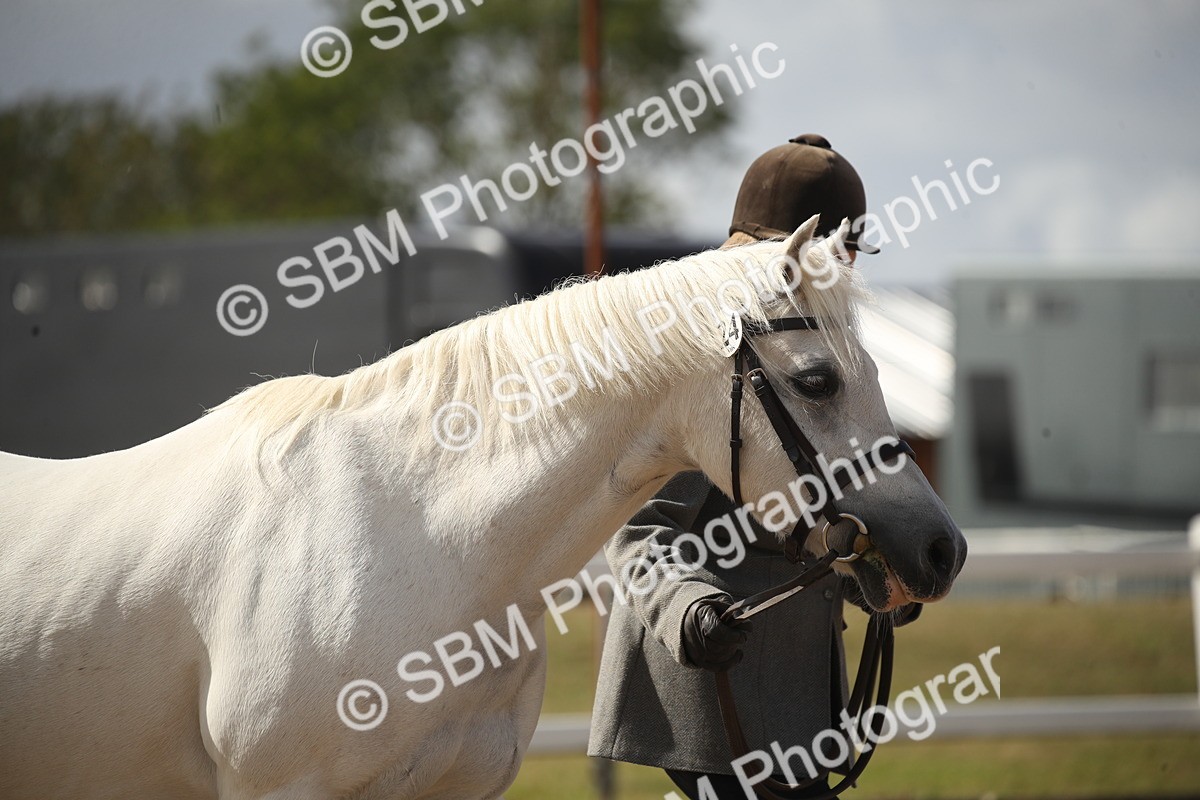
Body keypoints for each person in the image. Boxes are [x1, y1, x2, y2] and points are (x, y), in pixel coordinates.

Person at [587, 134, 915, 799]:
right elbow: (640, 532)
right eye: (843, 251)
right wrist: (687, 611)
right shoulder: (711, 357)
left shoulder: (819, 346)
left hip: (794, 692)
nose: (850, 267)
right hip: (712, 691)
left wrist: (878, 572)